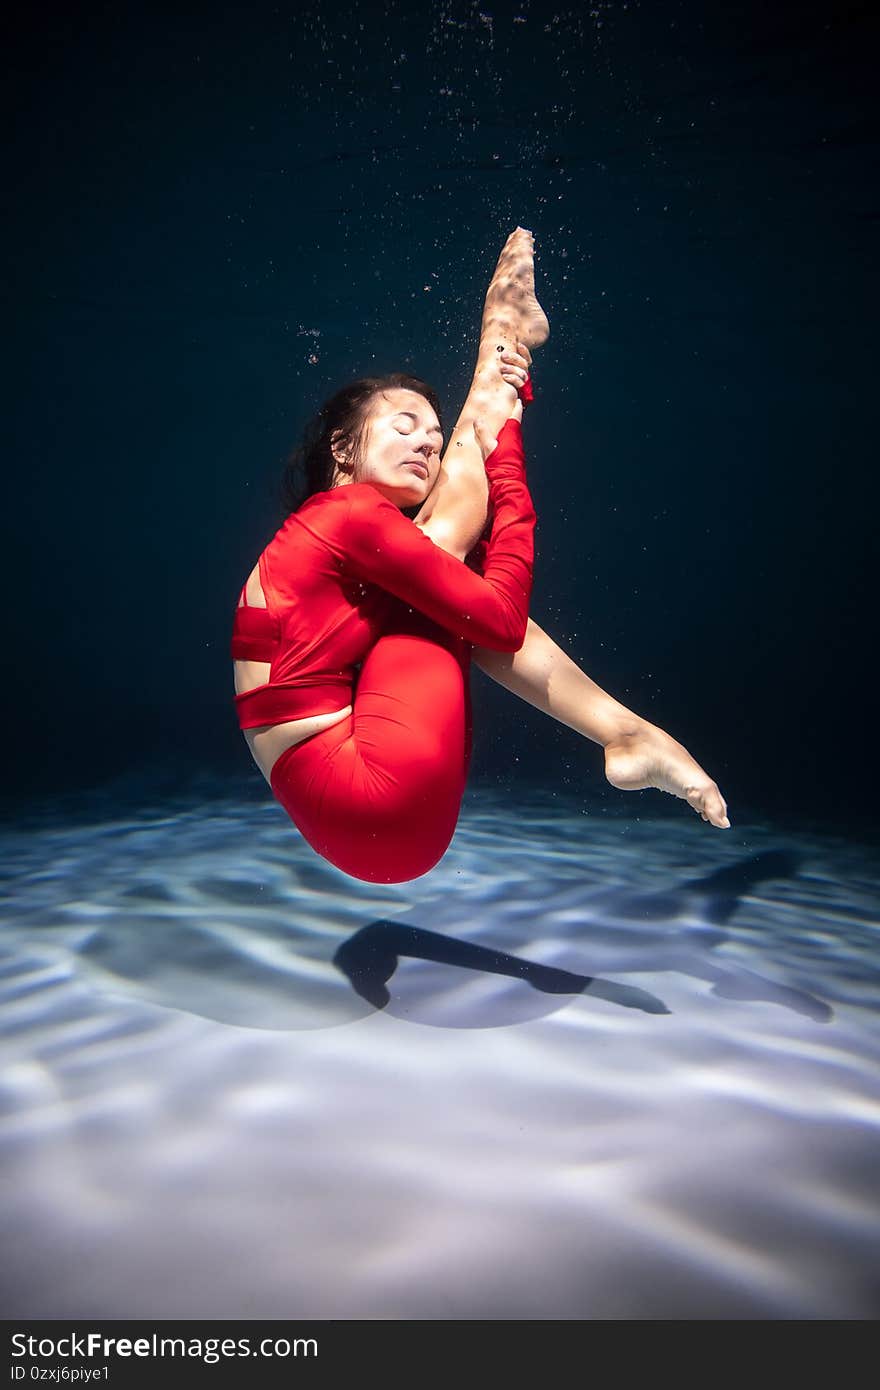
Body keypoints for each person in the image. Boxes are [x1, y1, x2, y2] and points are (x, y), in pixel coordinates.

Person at [232, 230, 728, 885]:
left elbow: (484, 617)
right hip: (372, 795)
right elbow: (497, 617)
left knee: (445, 587)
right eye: (404, 425)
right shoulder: (348, 516)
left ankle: (627, 734)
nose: (426, 444)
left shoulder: (331, 541)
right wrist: (507, 458)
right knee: (450, 571)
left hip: (358, 829)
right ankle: (499, 348)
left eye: (436, 438)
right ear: (344, 450)